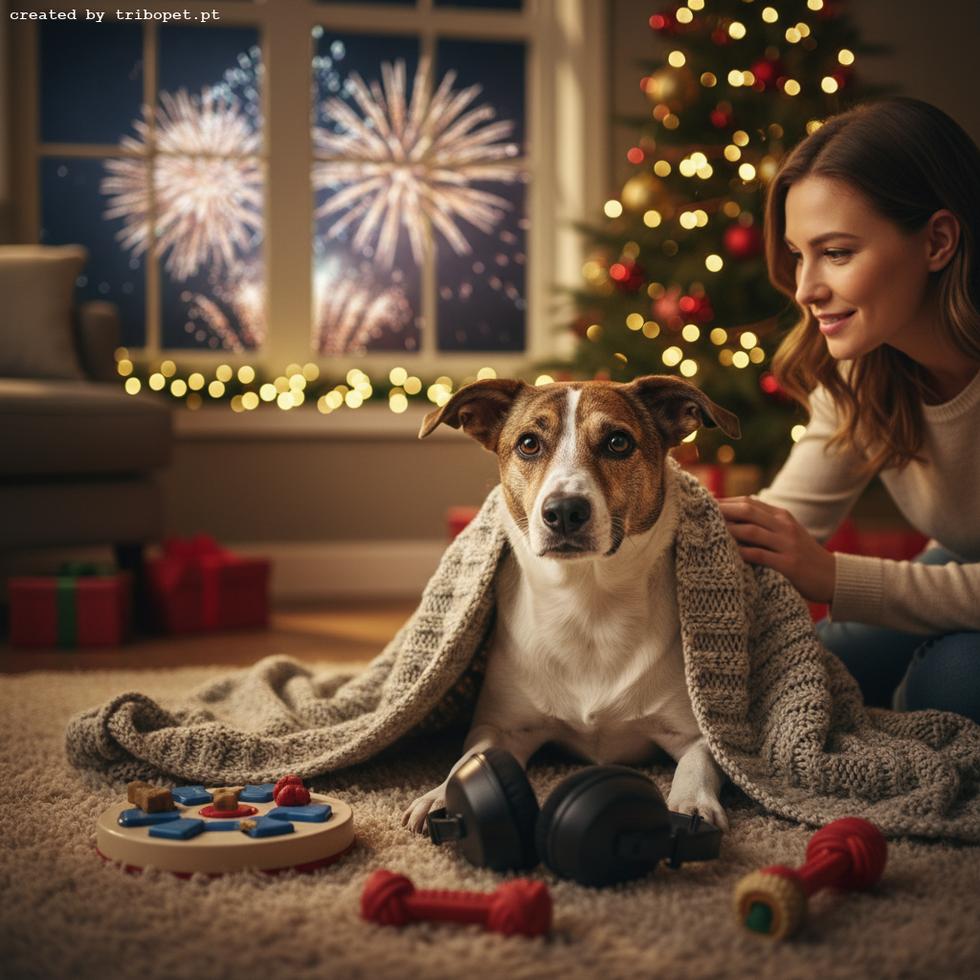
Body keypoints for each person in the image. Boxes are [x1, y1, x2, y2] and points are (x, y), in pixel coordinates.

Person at [717, 96, 980, 723]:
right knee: (799, 670)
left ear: (938, 240)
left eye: (835, 252)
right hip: (960, 571)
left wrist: (834, 577)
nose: (805, 288)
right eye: (799, 253)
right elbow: (783, 525)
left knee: (954, 685)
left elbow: (819, 566)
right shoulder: (862, 368)